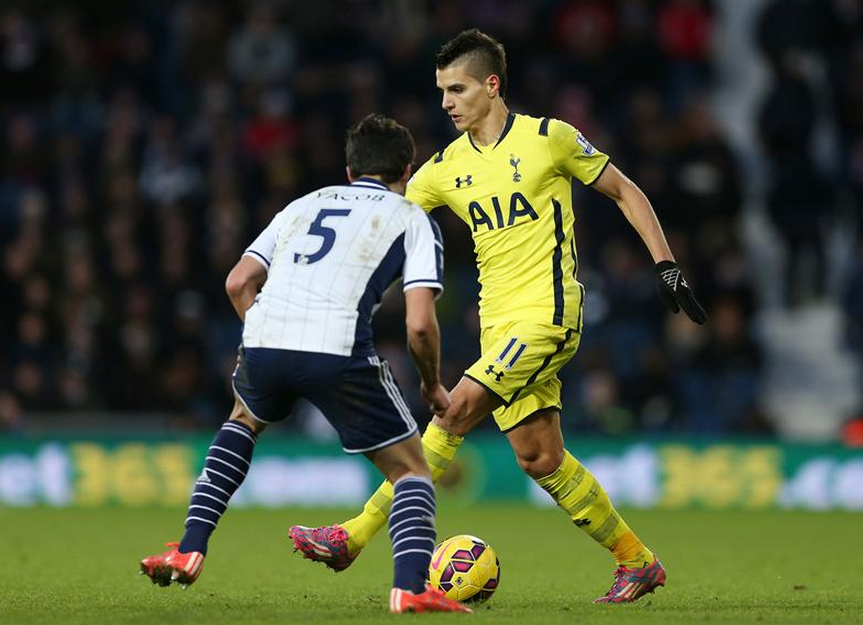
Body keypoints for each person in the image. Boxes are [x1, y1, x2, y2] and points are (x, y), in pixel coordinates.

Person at [290, 29, 706, 604]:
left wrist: (665, 264)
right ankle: (638, 562)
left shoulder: (549, 138)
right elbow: (381, 214)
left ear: (491, 85)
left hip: (548, 316)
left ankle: (351, 535)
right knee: (540, 457)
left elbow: (625, 190)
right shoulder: (444, 168)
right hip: (498, 329)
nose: (446, 103)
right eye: (440, 91)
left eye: (456, 89)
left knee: (454, 409)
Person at [139, 114, 470, 615]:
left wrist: (264, 332)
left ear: (349, 168)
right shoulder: (411, 218)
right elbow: (420, 324)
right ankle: (410, 586)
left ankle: (188, 548)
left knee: (243, 421)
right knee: (412, 472)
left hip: (267, 338)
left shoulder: (304, 204)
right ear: (408, 168)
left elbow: (237, 282)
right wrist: (430, 387)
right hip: (338, 346)